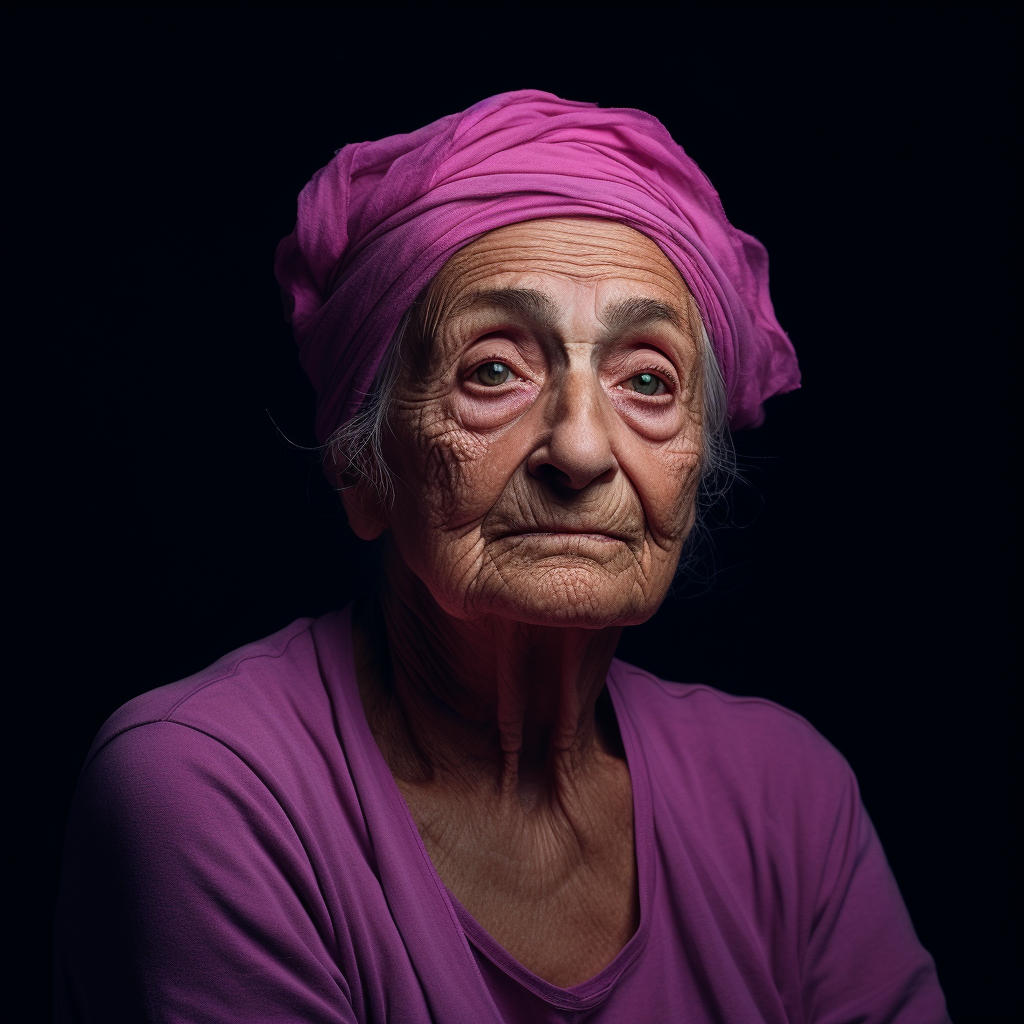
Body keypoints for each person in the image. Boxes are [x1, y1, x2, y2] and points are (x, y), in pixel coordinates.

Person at [54, 90, 950, 1022]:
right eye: (493, 370)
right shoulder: (208, 787)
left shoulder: (788, 795)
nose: (580, 450)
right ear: (363, 468)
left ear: (695, 470)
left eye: (647, 379)